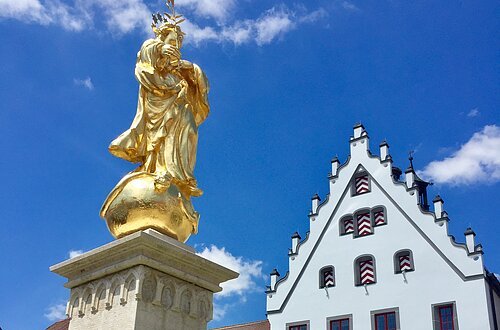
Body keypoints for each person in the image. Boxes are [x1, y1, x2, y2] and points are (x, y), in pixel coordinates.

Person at [108, 23, 209, 198]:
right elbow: (146, 60)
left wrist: (190, 68)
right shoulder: (152, 47)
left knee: (189, 128)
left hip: (179, 103)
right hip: (159, 103)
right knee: (161, 136)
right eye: (172, 40)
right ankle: (160, 169)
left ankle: (181, 174)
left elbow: (199, 85)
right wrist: (162, 49)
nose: (176, 46)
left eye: (178, 43)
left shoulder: (177, 67)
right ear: (162, 37)